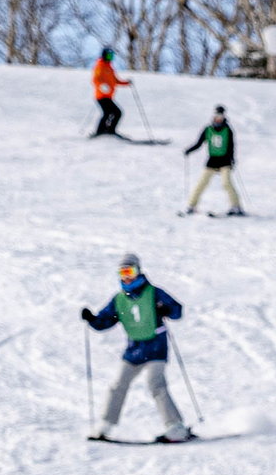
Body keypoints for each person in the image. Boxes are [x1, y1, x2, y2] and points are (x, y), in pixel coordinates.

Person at [81, 255, 190, 444]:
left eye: (130, 271)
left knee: (155, 384)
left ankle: (176, 427)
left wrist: (165, 309)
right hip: (134, 350)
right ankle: (105, 425)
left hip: (156, 346)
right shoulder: (120, 299)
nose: (127, 277)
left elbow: (177, 310)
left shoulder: (153, 293)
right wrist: (92, 319)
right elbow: (104, 321)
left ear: (138, 271)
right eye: (123, 272)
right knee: (118, 385)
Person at [183, 105, 243, 215]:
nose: (218, 118)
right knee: (201, 183)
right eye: (216, 115)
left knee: (226, 183)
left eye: (220, 116)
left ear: (224, 116)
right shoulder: (208, 129)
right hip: (212, 161)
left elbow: (231, 146)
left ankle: (236, 206)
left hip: (225, 161)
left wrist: (232, 159)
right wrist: (189, 150)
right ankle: (191, 206)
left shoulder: (228, 130)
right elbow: (199, 143)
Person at [91, 48, 129, 136]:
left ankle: (108, 131)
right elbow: (96, 79)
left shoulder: (109, 67)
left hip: (108, 96)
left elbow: (115, 80)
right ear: (104, 55)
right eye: (109, 56)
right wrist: (101, 86)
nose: (110, 58)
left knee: (114, 113)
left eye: (112, 56)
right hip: (101, 96)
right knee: (112, 113)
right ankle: (102, 132)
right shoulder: (100, 66)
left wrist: (126, 83)